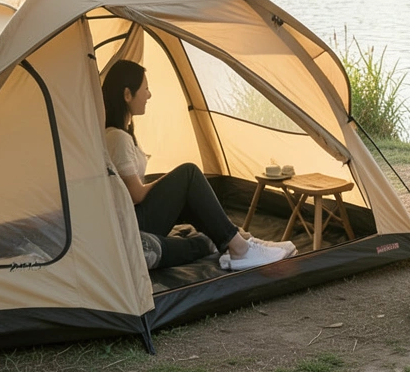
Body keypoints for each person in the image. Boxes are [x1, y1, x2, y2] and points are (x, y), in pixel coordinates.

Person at [102, 60, 295, 272]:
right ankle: (240, 248)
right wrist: (172, 182)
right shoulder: (117, 138)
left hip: (137, 216)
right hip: (134, 222)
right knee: (189, 173)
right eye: (145, 89)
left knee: (189, 191)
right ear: (127, 94)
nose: (149, 95)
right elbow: (136, 194)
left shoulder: (122, 135)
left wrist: (172, 186)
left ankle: (243, 242)